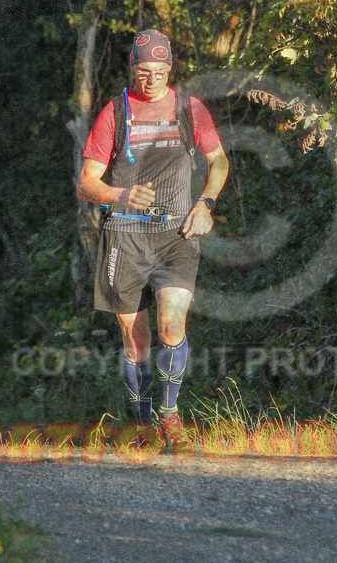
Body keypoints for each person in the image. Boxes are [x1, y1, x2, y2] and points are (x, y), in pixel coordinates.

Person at [77, 29, 229, 447]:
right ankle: (142, 422)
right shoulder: (115, 112)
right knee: (136, 339)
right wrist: (119, 195)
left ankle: (170, 415)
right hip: (124, 235)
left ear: (170, 70)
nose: (152, 79)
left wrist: (206, 205)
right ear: (132, 66)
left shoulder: (189, 109)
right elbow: (86, 184)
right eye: (144, 71)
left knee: (172, 322)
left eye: (160, 71)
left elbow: (218, 162)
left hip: (176, 231)